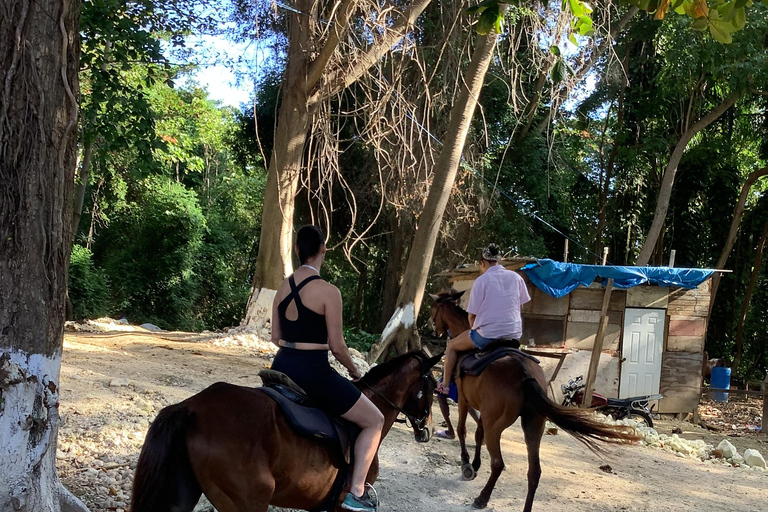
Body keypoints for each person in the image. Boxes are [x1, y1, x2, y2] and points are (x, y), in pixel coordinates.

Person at [271, 225, 384, 512]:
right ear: (323, 250)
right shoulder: (328, 291)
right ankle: (356, 492)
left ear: (297, 250)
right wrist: (355, 371)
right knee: (374, 420)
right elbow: (337, 346)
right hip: (313, 372)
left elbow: (275, 337)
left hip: (281, 365)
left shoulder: (283, 287)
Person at [437, 243, 531, 395]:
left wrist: (473, 327)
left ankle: (445, 385)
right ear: (498, 261)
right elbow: (520, 307)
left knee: (452, 346)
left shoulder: (481, 281)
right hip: (514, 335)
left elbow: (471, 315)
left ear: (482, 263)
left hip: (487, 336)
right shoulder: (516, 277)